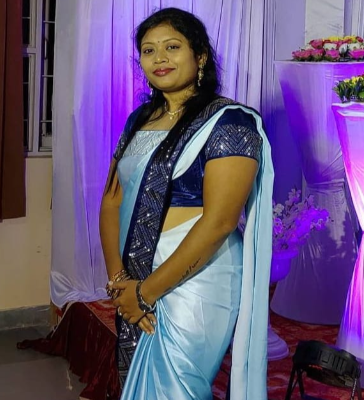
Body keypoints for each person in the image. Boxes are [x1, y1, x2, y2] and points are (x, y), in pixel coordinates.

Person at [99, 7, 274, 400]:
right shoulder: (139, 120)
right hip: (135, 273)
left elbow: (220, 222)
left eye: (172, 47)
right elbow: (111, 201)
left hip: (198, 278)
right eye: (148, 50)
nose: (159, 58)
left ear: (201, 56)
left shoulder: (230, 122)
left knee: (178, 386)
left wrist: (146, 292)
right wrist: (119, 282)